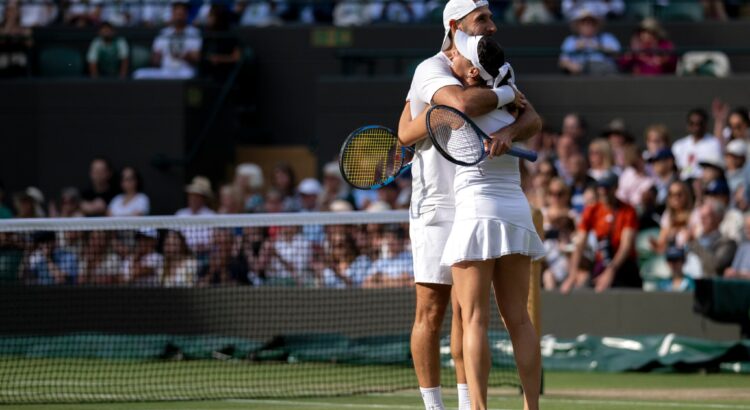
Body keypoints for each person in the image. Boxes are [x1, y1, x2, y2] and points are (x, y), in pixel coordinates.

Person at [395, 1, 543, 409]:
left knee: (468, 314)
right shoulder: (431, 70)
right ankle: (434, 406)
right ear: (456, 27)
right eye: (483, 19)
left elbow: (533, 119)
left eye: (492, 18)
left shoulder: (496, 67)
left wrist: (510, 129)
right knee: (433, 310)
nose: (493, 27)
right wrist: (505, 94)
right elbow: (454, 108)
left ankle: (467, 405)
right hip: (437, 203)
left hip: (476, 202)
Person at [562, 173, 641, 293]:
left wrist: (611, 271)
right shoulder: (592, 210)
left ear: (615, 188)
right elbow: (580, 243)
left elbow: (626, 246)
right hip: (602, 261)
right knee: (588, 286)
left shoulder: (628, 211)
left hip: (623, 265)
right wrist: (572, 274)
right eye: (601, 188)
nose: (603, 191)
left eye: (607, 188)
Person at [133, 2, 201, 80]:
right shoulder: (164, 32)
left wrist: (183, 55)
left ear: (186, 14)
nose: (179, 16)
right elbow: (155, 58)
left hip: (185, 71)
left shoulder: (194, 32)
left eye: (181, 13)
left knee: (189, 76)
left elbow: (197, 58)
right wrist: (156, 57)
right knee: (139, 74)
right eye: (177, 13)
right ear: (172, 14)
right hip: (165, 71)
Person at [559, 9, 620, 75]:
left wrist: (599, 47)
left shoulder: (607, 37)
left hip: (604, 72)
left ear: (597, 25)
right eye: (584, 23)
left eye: (592, 23)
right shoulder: (570, 40)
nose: (588, 26)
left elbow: (618, 55)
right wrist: (573, 65)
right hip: (581, 73)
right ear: (577, 25)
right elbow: (563, 62)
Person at [687, 201, 737, 277]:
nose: (702, 221)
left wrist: (694, 243)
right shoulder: (695, 240)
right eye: (701, 217)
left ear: (718, 218)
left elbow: (714, 266)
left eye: (706, 217)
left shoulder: (728, 243)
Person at [672, 108, 722, 181]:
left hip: (704, 183)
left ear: (705, 125)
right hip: (683, 182)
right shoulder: (679, 145)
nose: (696, 127)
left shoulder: (713, 143)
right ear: (688, 125)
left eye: (699, 124)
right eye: (692, 124)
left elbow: (714, 169)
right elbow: (676, 169)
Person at [201, 4, 241, 81]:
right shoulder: (207, 36)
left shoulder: (229, 36)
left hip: (225, 76)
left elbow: (237, 57)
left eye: (211, 16)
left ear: (219, 18)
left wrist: (219, 59)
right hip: (207, 76)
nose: (208, 19)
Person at [725, 214, 750, 279]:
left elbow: (737, 273)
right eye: (746, 227)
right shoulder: (743, 248)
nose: (747, 230)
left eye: (749, 227)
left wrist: (739, 274)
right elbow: (733, 270)